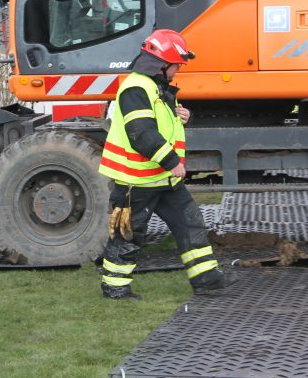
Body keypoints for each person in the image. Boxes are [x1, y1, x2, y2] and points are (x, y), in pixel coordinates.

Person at [98, 28, 230, 300]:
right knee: (128, 235)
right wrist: (171, 161)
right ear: (162, 65)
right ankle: (114, 286)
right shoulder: (136, 88)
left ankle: (206, 279)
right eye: (177, 65)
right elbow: (141, 133)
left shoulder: (155, 88)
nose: (178, 70)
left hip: (162, 179)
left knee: (190, 223)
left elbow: (161, 125)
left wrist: (182, 115)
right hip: (138, 180)